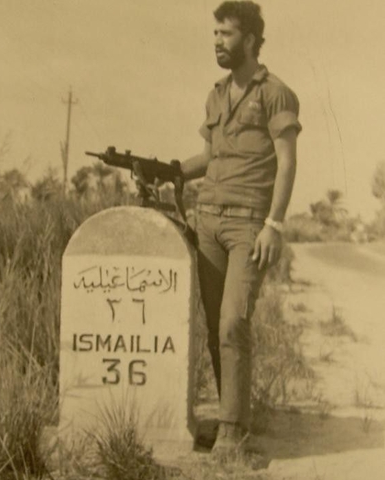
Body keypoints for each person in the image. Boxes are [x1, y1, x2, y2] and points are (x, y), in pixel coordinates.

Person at [179, 1, 301, 457]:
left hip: (249, 224)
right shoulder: (216, 94)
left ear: (250, 39)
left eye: (226, 34)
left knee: (234, 322)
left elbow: (287, 162)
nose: (217, 42)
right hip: (207, 219)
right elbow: (208, 158)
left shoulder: (276, 93)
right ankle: (229, 421)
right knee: (215, 325)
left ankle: (235, 433)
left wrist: (275, 224)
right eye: (214, 34)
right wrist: (168, 170)